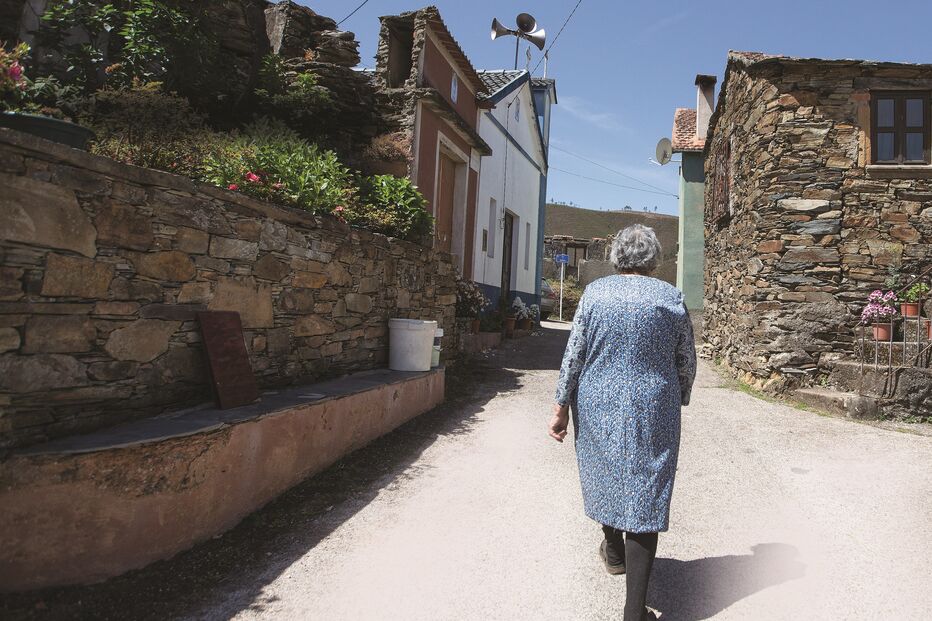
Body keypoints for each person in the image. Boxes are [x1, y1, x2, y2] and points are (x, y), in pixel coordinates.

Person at [549, 224, 696, 621]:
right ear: (653, 258)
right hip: (653, 406)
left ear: (617, 256)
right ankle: (634, 610)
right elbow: (686, 361)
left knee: (607, 473)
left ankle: (614, 550)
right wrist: (679, 394)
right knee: (646, 489)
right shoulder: (671, 297)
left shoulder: (596, 294)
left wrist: (561, 406)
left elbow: (574, 354)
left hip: (598, 403)